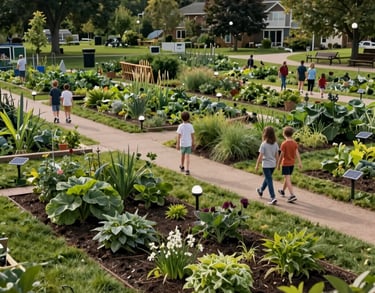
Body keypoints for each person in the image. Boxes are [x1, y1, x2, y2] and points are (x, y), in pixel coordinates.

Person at [277, 126, 303, 203]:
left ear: (284, 134)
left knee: (287, 178)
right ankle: (282, 190)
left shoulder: (284, 144)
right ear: (292, 134)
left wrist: (278, 164)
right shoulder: (294, 143)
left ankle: (292, 195)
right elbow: (297, 153)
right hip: (292, 164)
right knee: (287, 177)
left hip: (285, 164)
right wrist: (300, 162)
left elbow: (281, 155)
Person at [255, 126, 279, 205]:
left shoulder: (264, 144)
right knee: (268, 178)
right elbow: (277, 155)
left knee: (269, 180)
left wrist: (257, 165)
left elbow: (260, 156)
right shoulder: (275, 144)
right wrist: (278, 164)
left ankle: (273, 197)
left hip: (266, 165)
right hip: (273, 165)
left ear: (265, 134)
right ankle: (261, 190)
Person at [176, 111, 195, 176]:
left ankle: (182, 166)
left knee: (182, 155)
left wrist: (177, 144)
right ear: (189, 118)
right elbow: (192, 136)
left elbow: (178, 136)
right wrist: (193, 143)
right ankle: (187, 169)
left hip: (182, 144)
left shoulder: (180, 126)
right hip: (188, 144)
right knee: (188, 157)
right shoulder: (191, 126)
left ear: (181, 118)